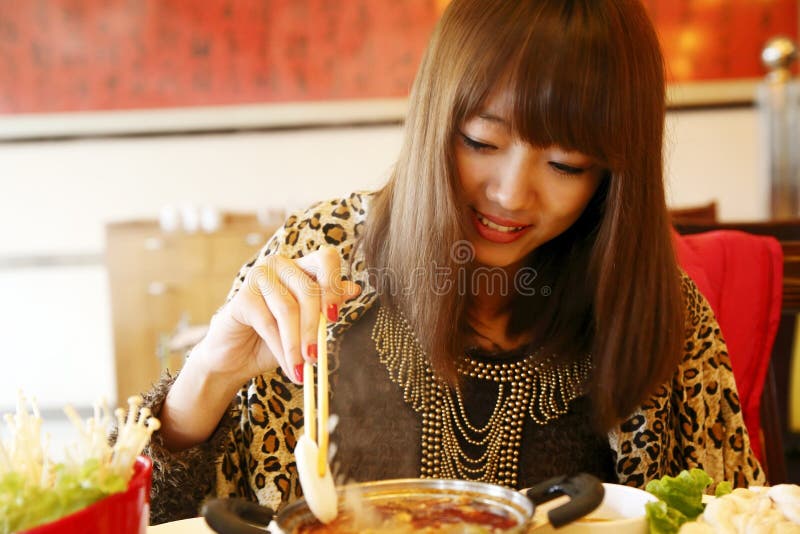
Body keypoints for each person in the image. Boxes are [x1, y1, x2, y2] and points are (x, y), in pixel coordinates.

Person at [140, 0, 765, 524]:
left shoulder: (657, 306)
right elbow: (154, 517)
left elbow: (737, 519)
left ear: (611, 175)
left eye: (566, 165)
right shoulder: (319, 254)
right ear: (435, 118)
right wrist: (211, 376)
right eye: (481, 142)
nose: (511, 193)